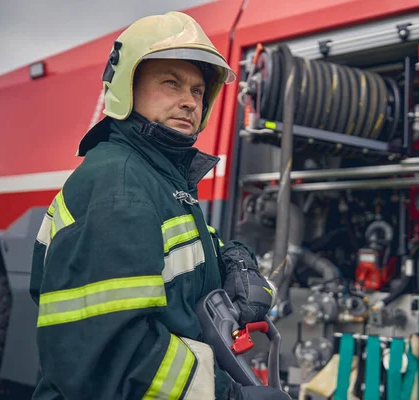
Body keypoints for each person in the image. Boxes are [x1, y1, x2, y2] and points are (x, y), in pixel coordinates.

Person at [29, 11, 289, 400]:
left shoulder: (161, 179)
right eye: (171, 83)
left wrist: (236, 261)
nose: (189, 102)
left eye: (198, 91)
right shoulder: (119, 187)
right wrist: (228, 395)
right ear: (128, 87)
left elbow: (193, 247)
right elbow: (109, 357)